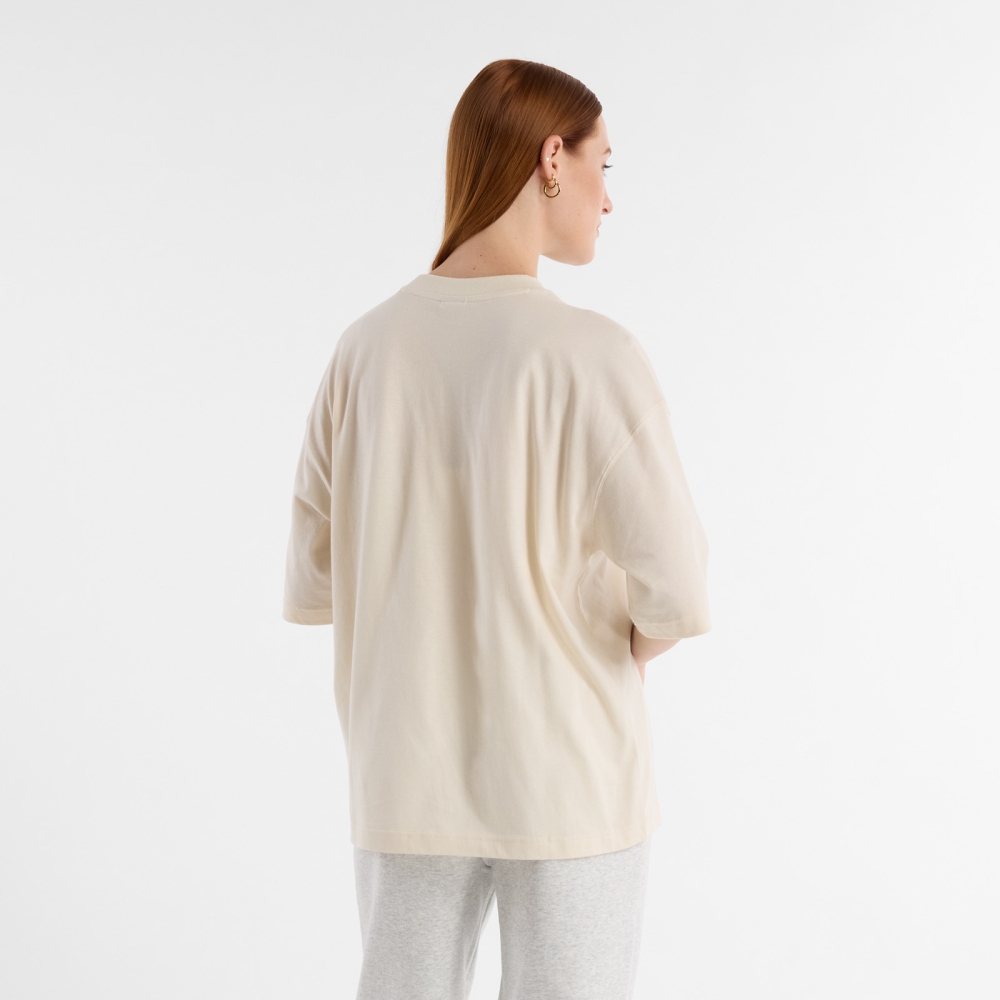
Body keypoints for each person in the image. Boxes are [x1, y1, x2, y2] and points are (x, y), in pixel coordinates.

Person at [282, 58, 712, 1000]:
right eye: (603, 164)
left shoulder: (361, 353)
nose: (609, 198)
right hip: (570, 781)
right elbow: (678, 592)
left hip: (404, 780)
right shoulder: (594, 356)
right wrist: (604, 652)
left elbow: (319, 581)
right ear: (552, 159)